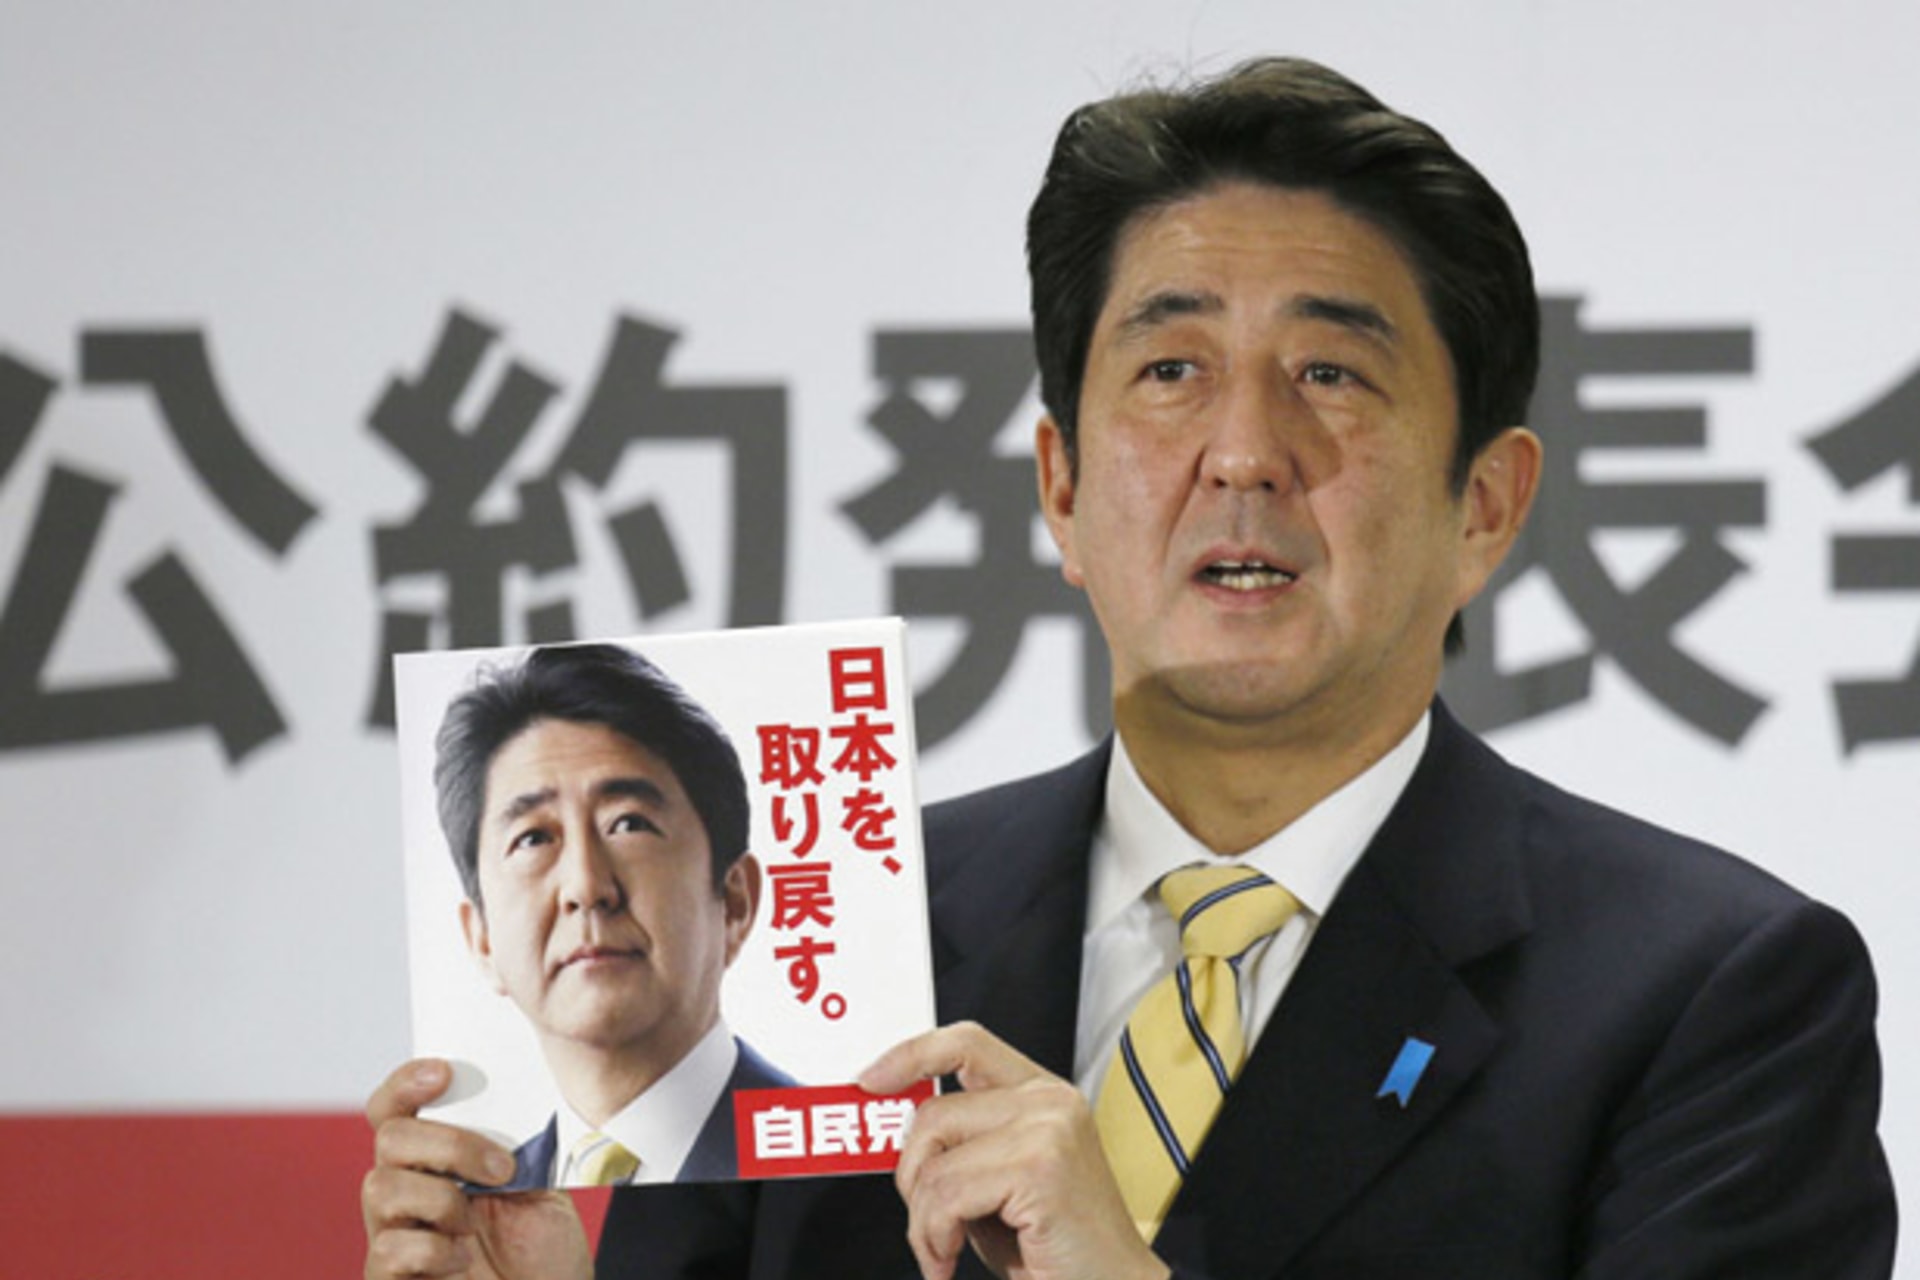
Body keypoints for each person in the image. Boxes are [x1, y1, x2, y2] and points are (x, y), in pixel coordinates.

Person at [362, 57, 1897, 1279]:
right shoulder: (845, 945)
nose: (1243, 453)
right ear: (1064, 491)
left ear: (1484, 504)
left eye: (1331, 375)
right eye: (1170, 371)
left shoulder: (1711, 995)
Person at [428, 642, 792, 1190]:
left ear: (735, 902)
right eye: (533, 838)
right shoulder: (468, 1227)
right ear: (482, 940)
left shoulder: (879, 1176)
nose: (586, 886)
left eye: (628, 824)